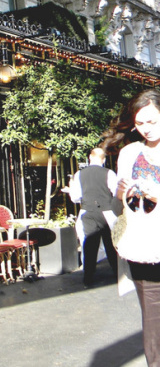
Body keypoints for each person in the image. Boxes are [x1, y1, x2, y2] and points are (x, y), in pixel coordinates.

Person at [101, 89, 160, 366]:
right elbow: (121, 205)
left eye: (152, 121)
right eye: (140, 123)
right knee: (154, 323)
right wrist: (122, 193)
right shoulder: (129, 153)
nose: (146, 128)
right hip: (145, 248)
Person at [63, 147, 119, 288]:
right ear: (103, 159)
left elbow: (76, 197)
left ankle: (88, 276)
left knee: (89, 244)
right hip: (107, 211)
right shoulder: (109, 173)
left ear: (90, 157)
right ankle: (118, 273)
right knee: (111, 244)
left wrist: (71, 190)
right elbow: (116, 193)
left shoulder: (79, 174)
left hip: (87, 211)